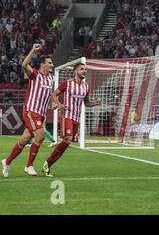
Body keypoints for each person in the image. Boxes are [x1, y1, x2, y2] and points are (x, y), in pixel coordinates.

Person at [2, 44, 54, 177]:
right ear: (43, 65)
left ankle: (7, 162)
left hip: (40, 114)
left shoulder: (51, 78)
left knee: (24, 140)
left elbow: (50, 94)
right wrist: (33, 50)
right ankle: (29, 166)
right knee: (41, 135)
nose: (52, 65)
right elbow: (24, 65)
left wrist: (53, 103)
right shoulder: (35, 74)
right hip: (31, 111)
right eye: (49, 63)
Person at [42, 63, 101, 177]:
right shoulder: (67, 83)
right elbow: (53, 95)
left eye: (85, 69)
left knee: (67, 143)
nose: (84, 71)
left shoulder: (86, 86)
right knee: (67, 140)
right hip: (66, 116)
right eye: (81, 69)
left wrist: (94, 103)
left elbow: (86, 102)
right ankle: (48, 162)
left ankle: (48, 163)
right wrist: (59, 105)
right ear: (75, 72)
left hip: (76, 119)